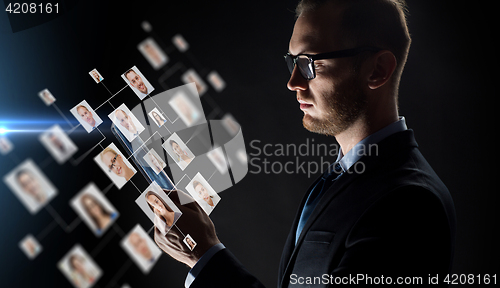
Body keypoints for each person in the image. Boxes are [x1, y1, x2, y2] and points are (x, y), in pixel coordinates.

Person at [153, 1, 456, 287]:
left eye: (310, 63)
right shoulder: (338, 180)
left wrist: (205, 257)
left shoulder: (410, 204)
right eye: (293, 61)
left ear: (377, 70)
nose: (293, 82)